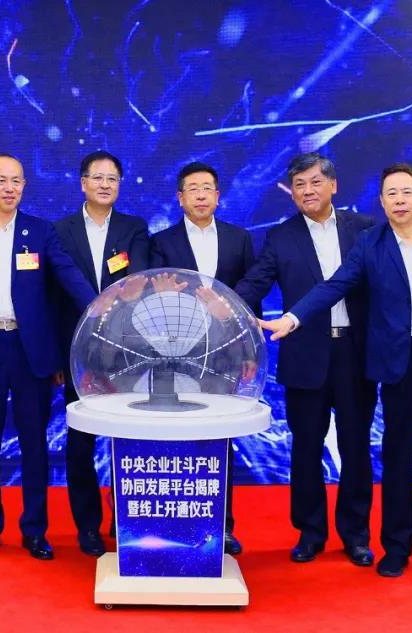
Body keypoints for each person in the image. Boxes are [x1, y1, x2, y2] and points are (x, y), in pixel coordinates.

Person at [260, 162, 412, 579]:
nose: (399, 200)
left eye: (406, 192)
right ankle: (396, 547)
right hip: (399, 364)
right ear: (381, 202)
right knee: (397, 460)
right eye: (390, 194)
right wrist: (292, 318)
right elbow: (334, 285)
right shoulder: (370, 244)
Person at [0, 153, 97, 561]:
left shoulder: (40, 232)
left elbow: (67, 276)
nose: (10, 188)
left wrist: (101, 306)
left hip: (31, 353)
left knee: (35, 443)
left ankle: (34, 531)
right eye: (2, 180)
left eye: (17, 181)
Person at [234, 153, 378, 566]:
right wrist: (222, 305)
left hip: (354, 353)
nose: (308, 191)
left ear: (333, 185)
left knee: (355, 446)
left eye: (315, 182)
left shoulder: (365, 229)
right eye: (300, 185)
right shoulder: (281, 237)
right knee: (306, 448)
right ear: (292, 193)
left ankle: (356, 535)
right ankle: (311, 533)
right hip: (305, 355)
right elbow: (255, 282)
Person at [150, 161, 261, 556]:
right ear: (180, 198)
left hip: (225, 357)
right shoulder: (161, 242)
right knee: (171, 440)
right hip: (172, 359)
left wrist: (249, 350)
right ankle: (171, 524)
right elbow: (150, 302)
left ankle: (222, 526)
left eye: (207, 188)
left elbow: (250, 297)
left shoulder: (238, 239)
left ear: (218, 195)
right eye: (192, 189)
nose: (200, 195)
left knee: (218, 440)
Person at [53, 150, 150, 557]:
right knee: (80, 443)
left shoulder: (134, 228)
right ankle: (88, 526)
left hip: (126, 353)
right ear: (83, 183)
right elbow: (53, 296)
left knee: (130, 440)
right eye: (98, 177)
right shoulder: (60, 231)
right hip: (77, 354)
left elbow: (138, 281)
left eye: (112, 178)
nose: (105, 184)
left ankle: (127, 518)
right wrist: (59, 357)